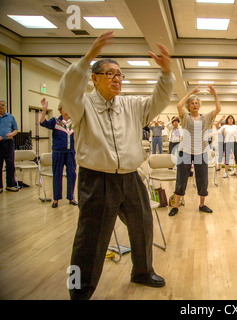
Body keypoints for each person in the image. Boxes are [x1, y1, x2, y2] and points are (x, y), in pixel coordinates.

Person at [58, 31, 174, 299]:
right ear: (94, 79)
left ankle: (142, 272)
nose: (116, 79)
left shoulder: (131, 104)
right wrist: (88, 57)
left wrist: (166, 74)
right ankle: (79, 290)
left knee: (143, 224)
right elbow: (66, 90)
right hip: (97, 179)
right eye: (109, 73)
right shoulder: (81, 104)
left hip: (130, 177)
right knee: (91, 239)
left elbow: (159, 101)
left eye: (120, 74)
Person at [168, 85, 221, 217]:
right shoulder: (185, 117)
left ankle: (202, 205)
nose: (194, 104)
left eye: (196, 103)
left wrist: (214, 94)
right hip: (185, 151)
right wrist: (191, 92)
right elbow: (179, 106)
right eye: (192, 103)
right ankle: (176, 205)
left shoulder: (206, 118)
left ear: (199, 105)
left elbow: (218, 109)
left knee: (202, 179)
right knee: (181, 179)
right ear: (189, 106)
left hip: (201, 152)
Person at [39, 98, 77, 208]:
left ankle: (71, 197)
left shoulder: (73, 121)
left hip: (70, 152)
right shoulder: (55, 121)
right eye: (64, 108)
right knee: (57, 175)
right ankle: (56, 199)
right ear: (60, 110)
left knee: (72, 174)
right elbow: (42, 123)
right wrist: (44, 110)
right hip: (58, 152)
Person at [0, 99, 19, 193]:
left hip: (9, 143)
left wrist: (12, 134)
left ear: (5, 106)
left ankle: (10, 185)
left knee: (10, 164)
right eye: (0, 105)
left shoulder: (11, 117)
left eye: (3, 105)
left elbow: (16, 130)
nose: (1, 106)